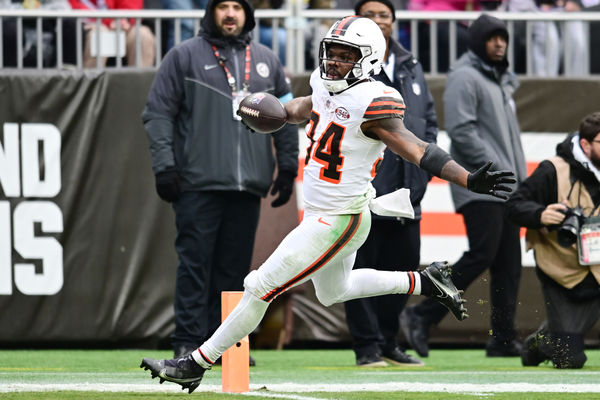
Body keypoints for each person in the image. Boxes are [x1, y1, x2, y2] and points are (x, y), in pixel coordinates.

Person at [140, 16, 515, 393]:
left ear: (367, 60)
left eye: (345, 55)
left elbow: (417, 149)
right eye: (330, 52)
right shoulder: (325, 84)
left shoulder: (375, 101)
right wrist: (272, 113)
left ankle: (195, 362)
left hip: (340, 218)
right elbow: (306, 107)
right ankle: (424, 280)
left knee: (258, 286)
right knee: (333, 292)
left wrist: (467, 178)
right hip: (322, 213)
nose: (334, 62)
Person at [141, 0, 299, 361]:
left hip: (247, 186)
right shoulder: (182, 56)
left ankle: (225, 345)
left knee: (234, 272)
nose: (230, 13)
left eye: (237, 7)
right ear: (211, 12)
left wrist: (288, 168)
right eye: (223, 6)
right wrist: (165, 167)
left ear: (248, 14)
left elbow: (287, 118)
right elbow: (157, 115)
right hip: (198, 182)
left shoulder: (268, 60)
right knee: (195, 264)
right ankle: (188, 339)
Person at [400, 14, 527, 358]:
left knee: (508, 263)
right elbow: (462, 131)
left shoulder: (501, 83)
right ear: (478, 42)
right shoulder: (464, 76)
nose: (500, 43)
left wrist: (520, 184)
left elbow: (509, 142)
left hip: (504, 186)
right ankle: (421, 314)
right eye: (492, 38)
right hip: (479, 184)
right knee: (482, 253)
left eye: (503, 38)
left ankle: (502, 338)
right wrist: (499, 172)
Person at [342, 0, 438, 368]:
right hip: (365, 189)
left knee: (402, 268)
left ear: (394, 22)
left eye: (385, 15)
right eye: (370, 15)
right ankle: (366, 346)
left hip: (407, 190)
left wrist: (422, 173)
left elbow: (427, 121)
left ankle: (388, 341)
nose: (379, 21)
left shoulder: (410, 64)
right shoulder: (348, 65)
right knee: (359, 267)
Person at [506, 112, 600, 369]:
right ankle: (537, 345)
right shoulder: (553, 168)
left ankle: (558, 334)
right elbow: (514, 205)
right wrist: (540, 214)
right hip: (560, 267)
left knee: (569, 339)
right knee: (569, 358)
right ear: (585, 144)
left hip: (597, 264)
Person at [69, 0, 156, 67]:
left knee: (143, 35)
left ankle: (142, 88)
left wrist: (124, 20)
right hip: (85, 24)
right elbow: (72, 6)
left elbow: (131, 6)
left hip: (118, 25)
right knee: (99, 34)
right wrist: (109, 21)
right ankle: (89, 88)